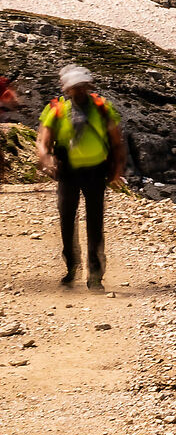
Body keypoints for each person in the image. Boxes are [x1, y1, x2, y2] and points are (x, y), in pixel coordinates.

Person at [37, 64, 124, 291]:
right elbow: (43, 140)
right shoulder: (55, 110)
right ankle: (72, 266)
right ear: (67, 90)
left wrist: (117, 168)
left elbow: (116, 141)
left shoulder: (102, 108)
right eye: (76, 87)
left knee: (95, 222)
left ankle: (95, 275)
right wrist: (46, 158)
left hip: (96, 170)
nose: (80, 91)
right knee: (67, 218)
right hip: (67, 171)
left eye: (83, 86)